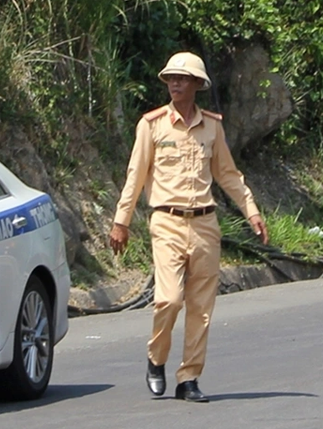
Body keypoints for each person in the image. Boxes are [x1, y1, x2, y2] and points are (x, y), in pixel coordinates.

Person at [109, 52, 268, 402]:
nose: (176, 83)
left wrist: (252, 211)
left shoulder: (212, 126)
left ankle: (189, 378)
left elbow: (227, 173)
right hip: (166, 221)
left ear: (197, 84)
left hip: (205, 223)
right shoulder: (151, 125)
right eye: (171, 78)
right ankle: (156, 358)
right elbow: (135, 176)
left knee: (201, 307)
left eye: (183, 78)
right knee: (168, 299)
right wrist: (121, 221)